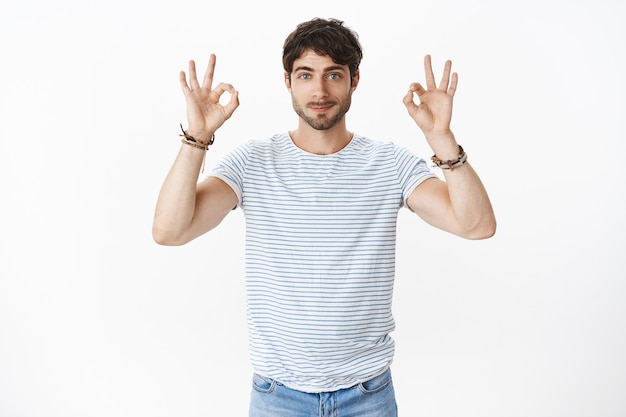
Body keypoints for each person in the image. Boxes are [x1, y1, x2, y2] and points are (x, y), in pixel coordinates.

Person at [153, 17, 495, 417]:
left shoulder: (389, 164)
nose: (319, 90)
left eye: (334, 74)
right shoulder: (253, 162)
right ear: (287, 82)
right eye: (305, 75)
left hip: (367, 395)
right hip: (277, 395)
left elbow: (477, 225)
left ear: (354, 80)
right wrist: (197, 138)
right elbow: (169, 231)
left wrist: (442, 141)